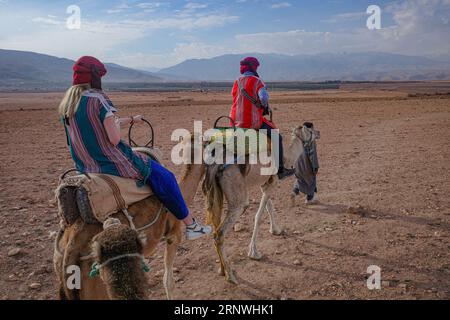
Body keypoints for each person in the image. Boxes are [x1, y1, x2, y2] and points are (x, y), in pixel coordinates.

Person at [58, 56, 211, 240]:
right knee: (165, 177)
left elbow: (91, 130)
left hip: (85, 165)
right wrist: (116, 125)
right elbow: (113, 139)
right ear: (95, 77)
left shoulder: (68, 104)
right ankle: (191, 225)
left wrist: (130, 120)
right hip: (111, 162)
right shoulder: (98, 100)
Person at [229, 57, 294, 180]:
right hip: (251, 121)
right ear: (253, 67)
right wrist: (263, 105)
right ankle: (280, 170)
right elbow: (263, 97)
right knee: (276, 136)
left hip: (234, 121)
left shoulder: (236, 81)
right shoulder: (257, 81)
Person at [291, 122, 320, 205]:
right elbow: (312, 154)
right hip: (306, 162)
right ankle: (309, 199)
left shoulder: (297, 136)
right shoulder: (310, 139)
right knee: (311, 179)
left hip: (296, 162)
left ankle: (294, 192)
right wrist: (315, 166)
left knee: (300, 179)